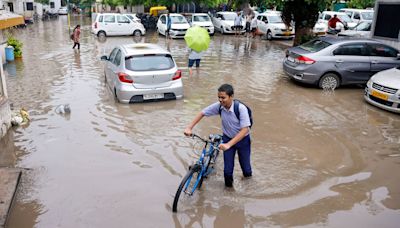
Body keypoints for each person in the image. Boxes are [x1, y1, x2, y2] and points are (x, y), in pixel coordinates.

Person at [184, 84, 252, 187]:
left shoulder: (241, 109)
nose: (220, 100)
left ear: (231, 96)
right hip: (227, 138)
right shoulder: (219, 106)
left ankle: (248, 188)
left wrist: (229, 144)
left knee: (246, 171)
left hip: (243, 140)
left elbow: (245, 130)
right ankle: (229, 194)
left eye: (223, 97)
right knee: (227, 172)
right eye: (219, 97)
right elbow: (202, 113)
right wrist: (189, 127)